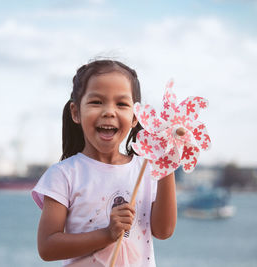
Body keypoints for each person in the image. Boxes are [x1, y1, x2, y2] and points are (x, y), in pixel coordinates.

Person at [31, 59, 177, 267]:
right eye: (97, 102)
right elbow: (47, 246)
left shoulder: (147, 170)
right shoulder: (64, 174)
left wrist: (166, 163)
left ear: (136, 117)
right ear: (76, 112)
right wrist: (107, 234)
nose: (109, 111)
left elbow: (164, 231)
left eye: (121, 104)